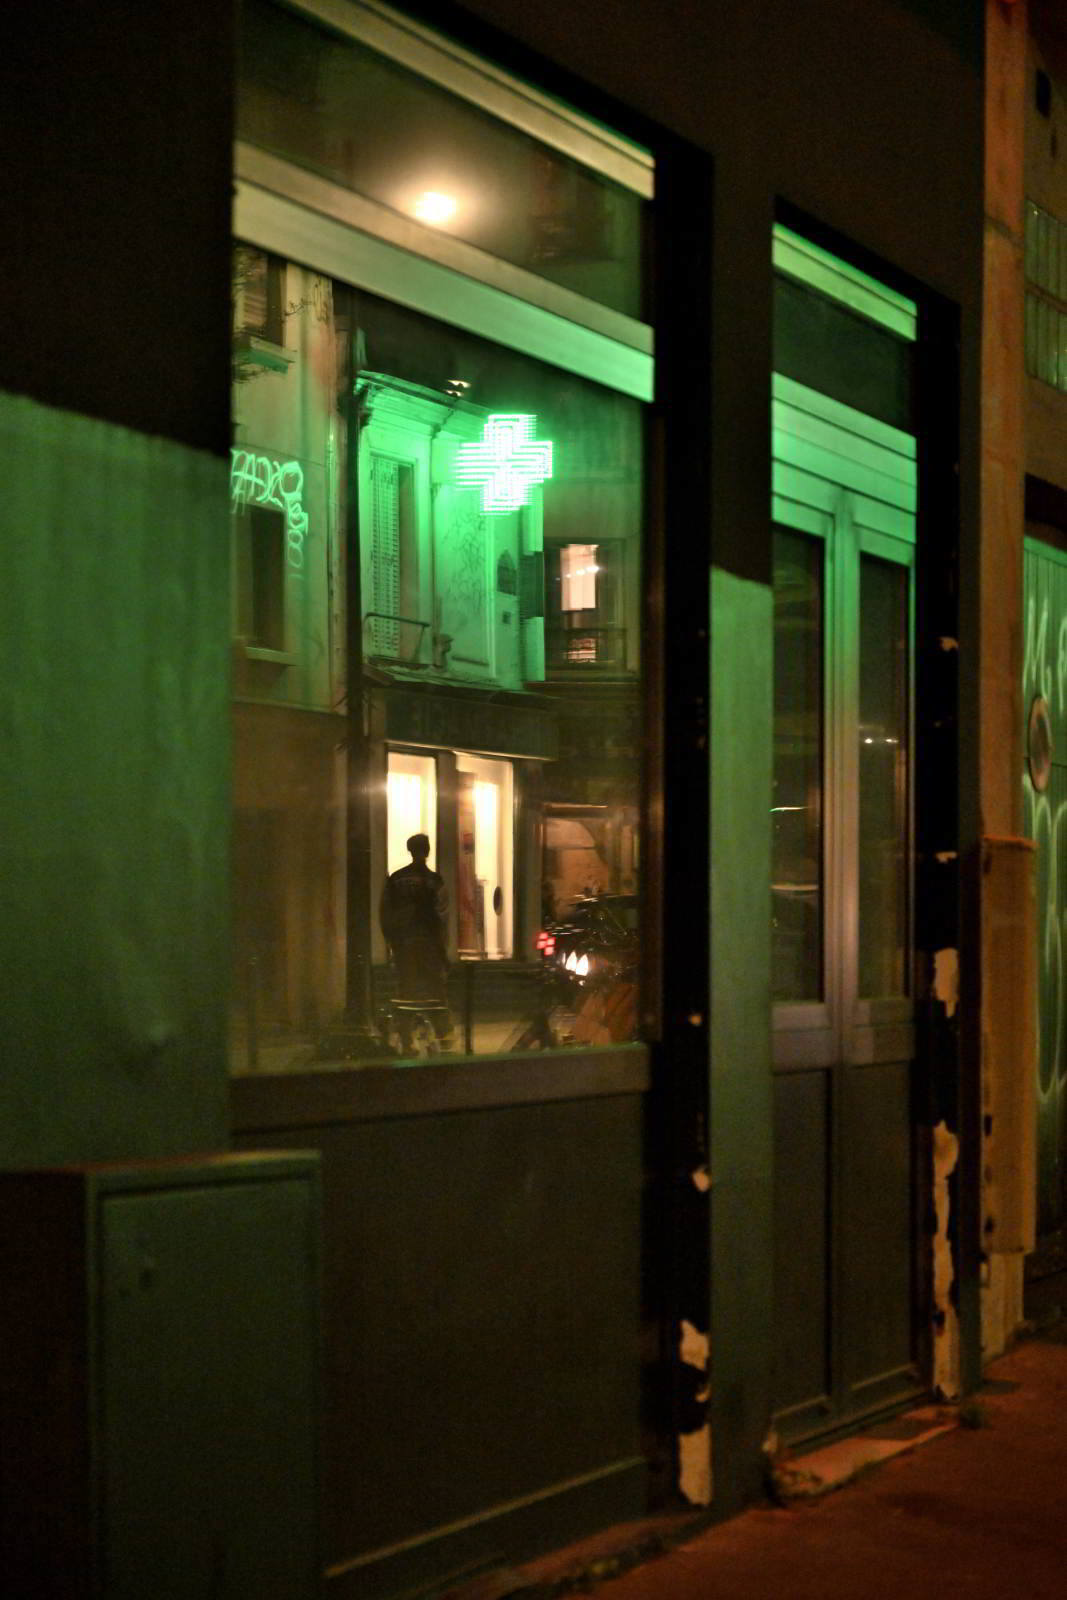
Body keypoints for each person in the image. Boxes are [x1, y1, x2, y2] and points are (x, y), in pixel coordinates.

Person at [379, 833, 454, 1053]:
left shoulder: (395, 879)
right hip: (429, 945)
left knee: (405, 991)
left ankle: (406, 1040)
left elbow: (385, 914)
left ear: (409, 850)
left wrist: (391, 942)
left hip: (404, 945)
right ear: (427, 851)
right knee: (436, 991)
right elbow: (442, 916)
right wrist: (443, 950)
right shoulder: (435, 881)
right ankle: (443, 1035)